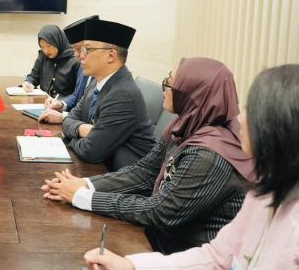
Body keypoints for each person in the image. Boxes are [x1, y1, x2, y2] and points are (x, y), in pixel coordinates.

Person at [84, 64, 299, 270]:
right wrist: (133, 268)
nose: (241, 119)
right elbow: (217, 259)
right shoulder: (264, 195)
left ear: (283, 129)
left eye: (252, 112)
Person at [43, 57, 254, 254]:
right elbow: (145, 172)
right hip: (162, 240)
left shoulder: (209, 154)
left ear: (193, 95)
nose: (164, 90)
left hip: (187, 256)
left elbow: (160, 211)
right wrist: (85, 184)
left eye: (169, 84)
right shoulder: (185, 125)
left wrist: (82, 196)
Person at [61, 18, 155, 170]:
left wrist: (70, 137)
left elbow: (90, 151)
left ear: (111, 55)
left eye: (87, 49)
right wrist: (80, 129)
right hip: (101, 167)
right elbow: (69, 118)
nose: (81, 56)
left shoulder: (123, 94)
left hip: (123, 176)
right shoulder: (96, 82)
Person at [40, 15, 98, 122]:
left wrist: (63, 117)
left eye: (81, 49)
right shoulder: (83, 66)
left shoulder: (105, 79)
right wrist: (61, 103)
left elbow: (95, 123)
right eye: (74, 49)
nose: (76, 55)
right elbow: (77, 97)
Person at [22, 24, 79, 98]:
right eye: (42, 47)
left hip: (63, 103)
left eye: (49, 46)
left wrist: (61, 102)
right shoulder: (43, 56)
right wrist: (28, 82)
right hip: (44, 101)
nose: (46, 51)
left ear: (57, 41)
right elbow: (33, 77)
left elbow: (78, 94)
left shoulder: (75, 60)